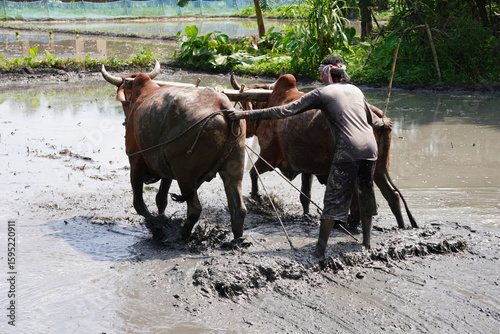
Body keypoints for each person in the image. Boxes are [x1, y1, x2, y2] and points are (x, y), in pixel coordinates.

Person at [227, 56, 393, 258]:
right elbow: (375, 120)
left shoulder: (322, 93)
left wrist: (246, 115)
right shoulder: (356, 91)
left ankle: (319, 250)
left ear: (325, 74)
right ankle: (366, 243)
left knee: (332, 201)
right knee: (367, 195)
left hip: (347, 150)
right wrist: (384, 123)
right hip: (370, 151)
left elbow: (285, 110)